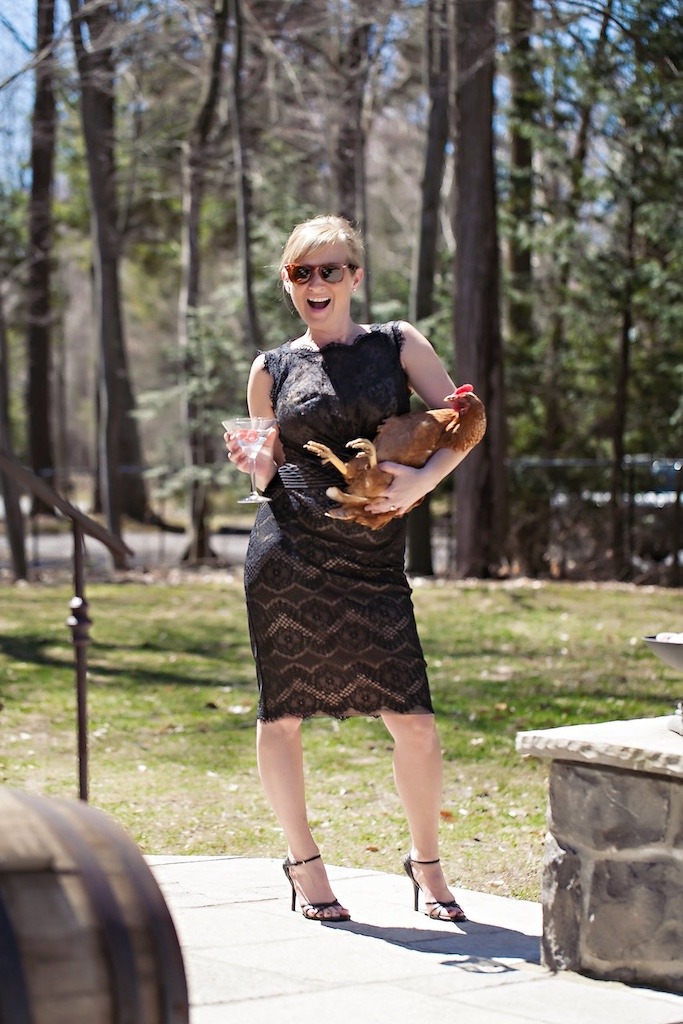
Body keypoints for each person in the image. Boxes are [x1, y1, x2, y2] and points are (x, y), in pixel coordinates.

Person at [225, 214, 474, 924]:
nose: (315, 283)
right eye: (301, 272)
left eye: (329, 269)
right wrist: (257, 465)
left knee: (415, 721)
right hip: (288, 552)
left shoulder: (397, 344)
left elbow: (463, 419)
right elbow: (271, 470)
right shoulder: (270, 368)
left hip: (372, 558)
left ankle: (425, 863)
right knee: (283, 715)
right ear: (287, 283)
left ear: (355, 278)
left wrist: (422, 485)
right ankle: (303, 864)